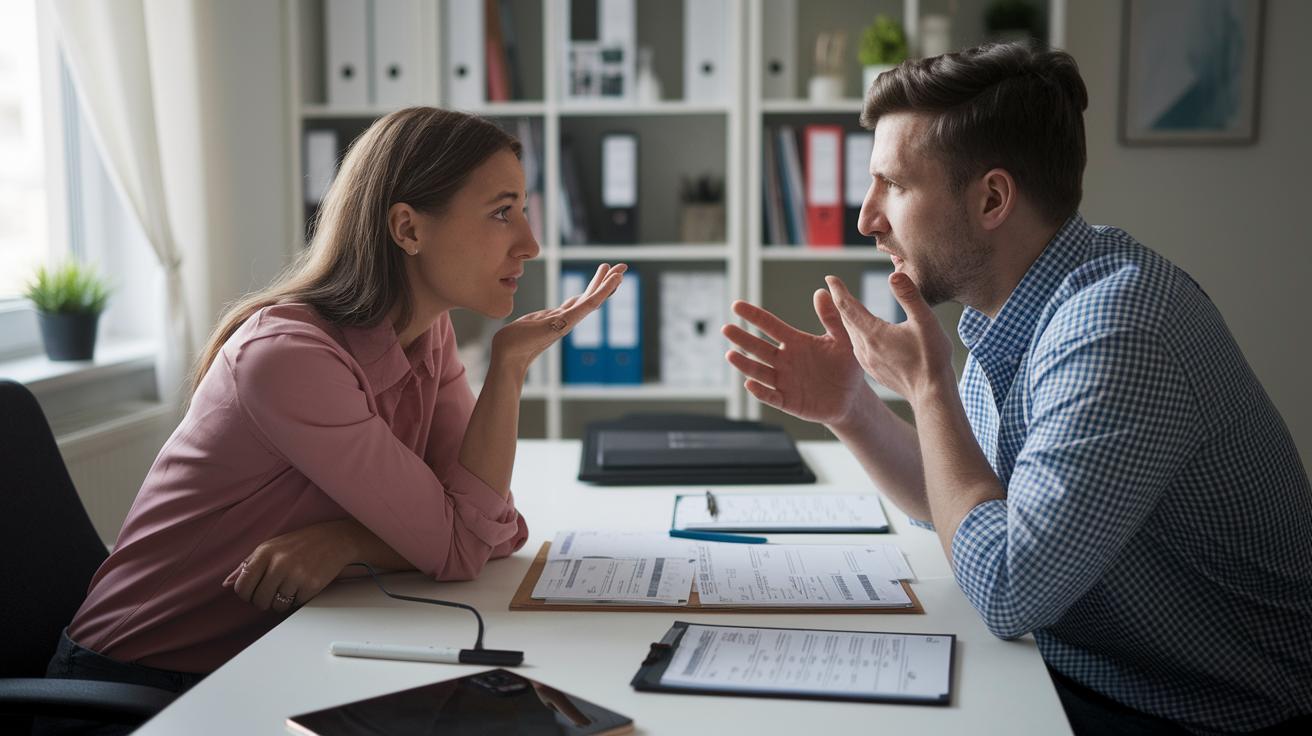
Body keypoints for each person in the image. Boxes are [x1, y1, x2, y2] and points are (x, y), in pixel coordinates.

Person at [724, 43, 1311, 735]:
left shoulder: (1116, 326)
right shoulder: (1021, 305)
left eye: (894, 186)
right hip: (1095, 676)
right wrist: (851, 411)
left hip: (1209, 717)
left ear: (992, 199)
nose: (867, 218)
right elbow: (969, 507)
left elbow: (1006, 586)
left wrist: (928, 383)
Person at [44, 108, 625, 726]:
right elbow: (464, 543)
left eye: (525, 211)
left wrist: (346, 543)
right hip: (136, 689)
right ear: (408, 228)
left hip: (257, 660)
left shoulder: (429, 335)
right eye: (502, 212)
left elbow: (493, 531)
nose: (530, 244)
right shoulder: (289, 360)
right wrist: (507, 369)